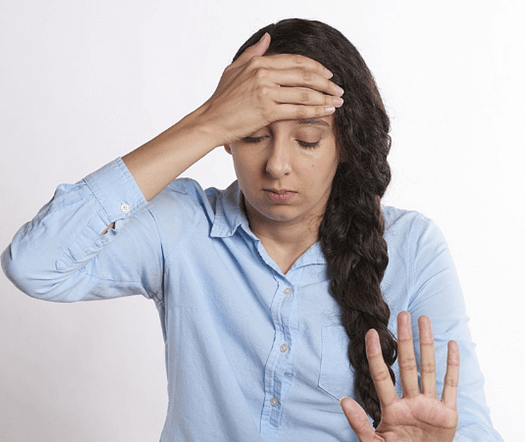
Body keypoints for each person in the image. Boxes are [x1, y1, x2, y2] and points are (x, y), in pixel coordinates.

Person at [1, 18, 502, 442]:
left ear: (345, 145)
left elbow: (470, 426)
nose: (277, 165)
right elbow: (34, 264)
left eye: (308, 141)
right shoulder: (183, 225)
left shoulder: (412, 247)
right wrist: (206, 121)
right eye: (253, 135)